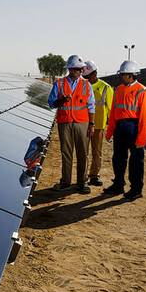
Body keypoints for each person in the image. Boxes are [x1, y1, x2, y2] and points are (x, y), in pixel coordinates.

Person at [48, 55, 95, 193]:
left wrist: (91, 124)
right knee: (66, 153)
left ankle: (82, 182)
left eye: (81, 69)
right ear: (69, 69)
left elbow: (91, 106)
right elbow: (51, 103)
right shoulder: (59, 84)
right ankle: (66, 182)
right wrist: (61, 100)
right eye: (77, 69)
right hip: (65, 123)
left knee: (83, 153)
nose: (80, 72)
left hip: (82, 123)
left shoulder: (86, 84)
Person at [104, 60, 146, 200]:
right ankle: (118, 184)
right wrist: (110, 131)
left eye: (122, 74)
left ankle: (136, 189)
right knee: (118, 158)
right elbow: (113, 113)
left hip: (134, 128)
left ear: (130, 75)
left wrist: (141, 139)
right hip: (120, 128)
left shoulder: (142, 91)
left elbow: (144, 117)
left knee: (136, 160)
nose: (120, 76)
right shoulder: (118, 89)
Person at [82, 61, 113, 186]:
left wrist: (111, 127)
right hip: (83, 124)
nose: (86, 79)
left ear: (94, 74)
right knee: (83, 152)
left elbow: (111, 109)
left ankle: (94, 175)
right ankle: (82, 176)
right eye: (84, 77)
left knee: (97, 152)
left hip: (99, 125)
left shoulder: (106, 88)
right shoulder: (82, 86)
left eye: (88, 76)